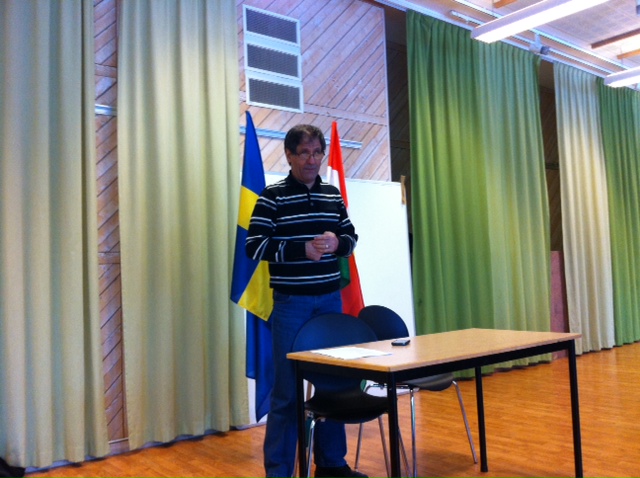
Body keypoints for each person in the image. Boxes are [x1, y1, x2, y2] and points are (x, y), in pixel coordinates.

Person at [246, 124, 366, 478]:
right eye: (304, 153)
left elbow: (350, 236)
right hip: (291, 304)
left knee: (333, 383)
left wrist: (338, 243)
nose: (312, 160)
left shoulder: (332, 194)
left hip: (329, 302)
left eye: (317, 153)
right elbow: (254, 246)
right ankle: (279, 472)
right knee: (287, 391)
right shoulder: (272, 196)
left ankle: (331, 464)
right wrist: (301, 250)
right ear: (289, 155)